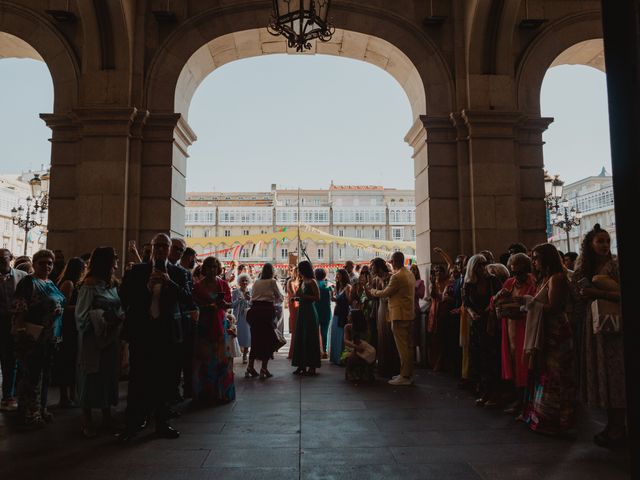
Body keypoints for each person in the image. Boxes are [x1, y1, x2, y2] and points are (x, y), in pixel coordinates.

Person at [118, 233, 190, 441]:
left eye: (164, 246)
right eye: (156, 245)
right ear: (151, 247)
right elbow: (124, 298)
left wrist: (170, 284)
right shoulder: (137, 271)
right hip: (142, 332)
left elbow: (186, 299)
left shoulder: (178, 273)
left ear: (169, 249)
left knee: (165, 380)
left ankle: (162, 423)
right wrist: (146, 289)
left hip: (167, 334)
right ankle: (133, 424)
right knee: (138, 379)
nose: (160, 249)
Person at [572, 225, 626, 448]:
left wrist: (597, 293)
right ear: (590, 245)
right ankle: (612, 424)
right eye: (600, 241)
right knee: (601, 375)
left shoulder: (615, 265)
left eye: (607, 240)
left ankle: (617, 425)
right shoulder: (584, 268)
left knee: (615, 376)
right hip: (593, 326)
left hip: (612, 326)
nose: (604, 245)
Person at [522, 243, 574, 436]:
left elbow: (554, 306)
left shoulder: (557, 278)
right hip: (547, 331)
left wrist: (529, 303)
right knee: (545, 373)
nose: (533, 262)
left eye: (536, 257)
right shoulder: (545, 278)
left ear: (546, 258)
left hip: (556, 332)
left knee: (556, 375)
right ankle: (543, 416)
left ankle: (556, 420)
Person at [12, 249, 66, 427]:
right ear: (34, 264)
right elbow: (20, 308)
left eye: (49, 263)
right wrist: (20, 332)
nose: (47, 266)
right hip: (34, 335)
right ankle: (29, 412)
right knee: (31, 376)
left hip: (51, 336)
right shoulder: (29, 282)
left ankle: (41, 408)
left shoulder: (50, 282)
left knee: (46, 376)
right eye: (42, 263)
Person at [75, 247, 123, 437]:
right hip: (92, 339)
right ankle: (87, 420)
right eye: (114, 261)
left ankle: (106, 416)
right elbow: (81, 315)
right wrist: (101, 320)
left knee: (107, 375)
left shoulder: (111, 283)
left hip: (110, 337)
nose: (116, 265)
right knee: (91, 375)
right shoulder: (89, 285)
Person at [495, 253, 536, 415]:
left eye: (520, 272)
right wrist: (499, 297)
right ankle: (518, 399)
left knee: (524, 365)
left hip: (525, 328)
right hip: (510, 328)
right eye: (514, 272)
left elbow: (535, 304)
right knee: (513, 363)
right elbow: (495, 301)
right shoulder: (510, 283)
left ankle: (526, 402)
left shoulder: (532, 283)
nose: (517, 276)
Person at [367, 252, 416, 386]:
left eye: (392, 261)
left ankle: (405, 376)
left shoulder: (397, 277)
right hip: (408, 313)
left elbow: (385, 293)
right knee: (408, 346)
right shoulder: (409, 273)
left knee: (403, 348)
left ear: (396, 261)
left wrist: (372, 291)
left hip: (399, 315)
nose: (391, 263)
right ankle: (406, 373)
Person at [191, 256, 235, 402]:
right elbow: (194, 306)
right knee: (205, 359)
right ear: (204, 268)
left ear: (218, 269)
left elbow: (229, 303)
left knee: (222, 359)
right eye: (209, 267)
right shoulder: (197, 287)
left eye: (215, 267)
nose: (212, 270)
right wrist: (209, 307)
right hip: (204, 324)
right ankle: (206, 394)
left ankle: (222, 393)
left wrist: (223, 304)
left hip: (220, 323)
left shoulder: (223, 284)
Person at [463, 254, 503, 406]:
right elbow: (466, 302)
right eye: (479, 265)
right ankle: (484, 392)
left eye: (484, 264)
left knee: (492, 358)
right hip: (477, 324)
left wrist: (490, 308)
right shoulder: (469, 284)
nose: (482, 267)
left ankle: (494, 393)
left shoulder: (493, 280)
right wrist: (472, 313)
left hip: (491, 322)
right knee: (479, 359)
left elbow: (499, 297)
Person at [53, 257, 86, 408]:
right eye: (83, 268)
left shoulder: (75, 284)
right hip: (67, 328)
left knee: (72, 361)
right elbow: (62, 308)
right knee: (66, 361)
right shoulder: (68, 284)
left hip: (73, 326)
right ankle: (64, 397)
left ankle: (72, 395)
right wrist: (82, 307)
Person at [0, 249, 27, 412]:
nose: (2, 262)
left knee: (12, 360)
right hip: (1, 320)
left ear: (10, 259)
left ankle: (9, 395)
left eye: (4, 259)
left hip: (16, 322)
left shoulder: (22, 276)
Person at [246, 263, 283, 379]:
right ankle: (264, 368)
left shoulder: (256, 282)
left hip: (254, 311)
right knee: (268, 340)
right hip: (266, 311)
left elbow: (253, 297)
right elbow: (280, 297)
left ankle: (250, 366)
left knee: (255, 340)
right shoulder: (272, 282)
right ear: (272, 271)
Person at [369, 257, 399, 378]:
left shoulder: (391, 276)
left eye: (373, 266)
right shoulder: (376, 279)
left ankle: (393, 367)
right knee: (381, 336)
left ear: (379, 266)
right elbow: (373, 297)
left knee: (390, 337)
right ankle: (383, 366)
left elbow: (388, 293)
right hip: (380, 307)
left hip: (390, 307)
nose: (371, 268)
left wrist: (373, 291)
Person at [291, 261, 321, 376]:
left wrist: (303, 296)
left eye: (299, 269)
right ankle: (301, 365)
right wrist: (297, 298)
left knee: (310, 337)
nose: (298, 271)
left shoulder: (312, 281)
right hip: (302, 311)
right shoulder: (302, 281)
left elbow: (317, 297)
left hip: (309, 312)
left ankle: (312, 366)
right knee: (301, 337)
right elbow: (301, 296)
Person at [427, 264, 454, 372]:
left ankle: (441, 363)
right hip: (434, 312)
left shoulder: (447, 282)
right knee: (433, 339)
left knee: (442, 338)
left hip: (443, 312)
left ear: (444, 273)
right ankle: (434, 362)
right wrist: (433, 284)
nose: (438, 273)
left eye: (440, 271)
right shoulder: (433, 284)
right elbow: (433, 296)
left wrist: (441, 252)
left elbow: (441, 298)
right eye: (436, 271)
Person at [342, 309, 375, 383]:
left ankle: (365, 372)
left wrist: (361, 346)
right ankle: (350, 371)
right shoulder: (348, 327)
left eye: (349, 315)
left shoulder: (365, 327)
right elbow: (345, 340)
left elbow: (368, 340)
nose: (347, 317)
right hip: (352, 348)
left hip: (363, 347)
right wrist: (355, 346)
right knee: (353, 355)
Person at [329, 269, 351, 366]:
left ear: (343, 276)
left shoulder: (347, 287)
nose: (337, 277)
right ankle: (336, 357)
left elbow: (349, 301)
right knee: (335, 334)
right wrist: (333, 298)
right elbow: (336, 299)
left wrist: (338, 299)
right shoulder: (337, 287)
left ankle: (342, 358)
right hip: (337, 312)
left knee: (342, 335)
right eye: (336, 275)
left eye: (338, 275)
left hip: (343, 313)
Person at [232, 273, 252, 363]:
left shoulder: (250, 291)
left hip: (248, 317)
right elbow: (232, 305)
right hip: (238, 317)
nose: (244, 282)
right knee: (237, 337)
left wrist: (249, 299)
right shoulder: (235, 292)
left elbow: (253, 304)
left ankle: (245, 355)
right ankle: (235, 354)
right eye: (242, 281)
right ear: (239, 282)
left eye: (246, 281)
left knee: (247, 336)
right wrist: (239, 300)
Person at [314, 268, 332, 359]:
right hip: (326, 310)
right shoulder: (328, 284)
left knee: (315, 332)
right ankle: (324, 351)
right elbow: (332, 297)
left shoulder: (314, 284)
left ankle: (316, 351)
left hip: (316, 310)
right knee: (324, 332)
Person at [286, 266, 300, 359]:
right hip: (294, 304)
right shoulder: (290, 281)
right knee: (295, 326)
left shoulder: (300, 282)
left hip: (298, 304)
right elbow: (293, 294)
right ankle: (293, 352)